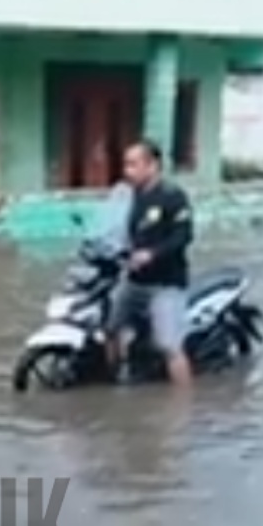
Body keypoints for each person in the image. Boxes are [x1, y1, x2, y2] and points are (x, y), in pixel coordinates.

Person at [105, 140, 193, 386]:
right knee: (110, 329)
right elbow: (116, 228)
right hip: (135, 280)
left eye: (133, 165)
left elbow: (183, 236)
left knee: (169, 346)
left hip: (166, 283)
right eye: (126, 165)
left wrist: (152, 254)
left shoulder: (173, 196)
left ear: (152, 166)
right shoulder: (130, 196)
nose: (127, 171)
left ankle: (183, 406)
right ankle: (114, 382)